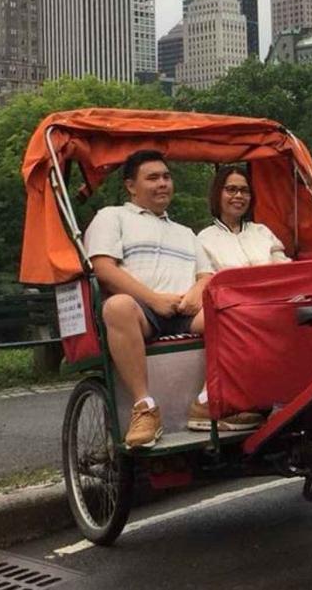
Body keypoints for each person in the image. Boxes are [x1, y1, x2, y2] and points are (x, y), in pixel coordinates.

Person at [84, 149, 211, 449]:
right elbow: (102, 268)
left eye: (166, 177)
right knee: (116, 306)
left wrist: (196, 293)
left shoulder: (185, 232)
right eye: (152, 178)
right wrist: (153, 300)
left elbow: (206, 275)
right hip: (142, 311)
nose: (163, 183)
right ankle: (144, 407)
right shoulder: (112, 216)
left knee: (232, 311)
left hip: (185, 309)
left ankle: (207, 400)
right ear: (131, 186)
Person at [183, 165, 289, 432]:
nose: (238, 196)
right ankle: (210, 398)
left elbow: (283, 269)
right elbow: (207, 283)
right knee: (244, 318)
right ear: (218, 194)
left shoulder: (262, 232)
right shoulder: (204, 239)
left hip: (272, 303)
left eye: (244, 190)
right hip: (234, 309)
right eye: (231, 189)